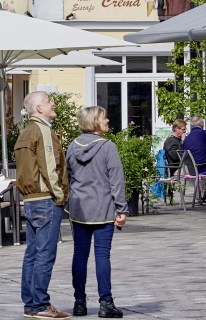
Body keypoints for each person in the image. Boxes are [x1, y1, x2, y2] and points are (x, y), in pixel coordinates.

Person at [66, 107, 126, 319]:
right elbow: (116, 180)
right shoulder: (108, 147)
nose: (107, 120)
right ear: (94, 122)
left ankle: (79, 302)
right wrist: (122, 208)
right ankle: (106, 302)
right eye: (103, 118)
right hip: (103, 208)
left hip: (79, 209)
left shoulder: (72, 146)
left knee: (79, 255)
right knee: (102, 255)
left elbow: (67, 176)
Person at [15, 91, 71, 319]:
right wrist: (60, 196)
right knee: (44, 254)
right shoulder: (42, 130)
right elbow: (49, 167)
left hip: (30, 200)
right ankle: (40, 304)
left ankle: (30, 304)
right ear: (39, 108)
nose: (53, 103)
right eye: (48, 101)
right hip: (46, 199)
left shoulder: (25, 132)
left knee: (32, 253)